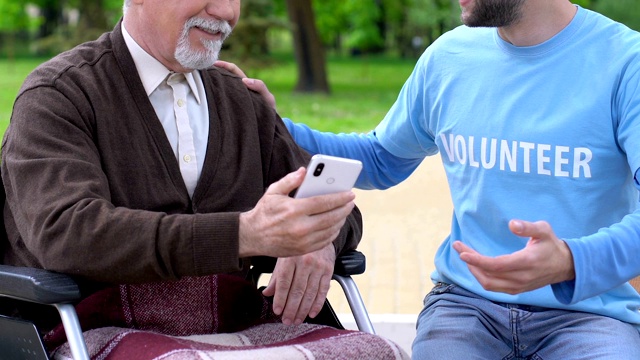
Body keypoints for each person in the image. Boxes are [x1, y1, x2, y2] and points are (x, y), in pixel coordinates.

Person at [219, 0, 640, 358]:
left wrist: (570, 262)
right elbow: (381, 158)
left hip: (591, 315)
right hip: (466, 307)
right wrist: (272, 125)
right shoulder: (449, 57)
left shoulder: (625, 63)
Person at [0, 0, 409, 358]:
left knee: (381, 352)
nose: (225, 12)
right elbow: (68, 232)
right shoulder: (58, 95)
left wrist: (319, 237)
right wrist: (243, 234)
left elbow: (344, 211)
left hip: (241, 322)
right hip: (95, 326)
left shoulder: (240, 99)